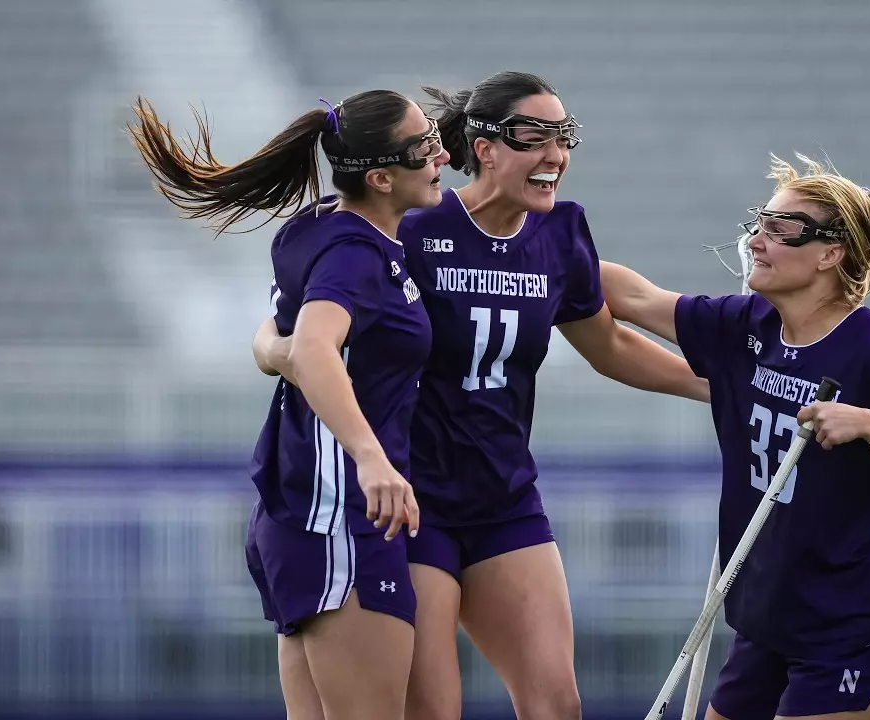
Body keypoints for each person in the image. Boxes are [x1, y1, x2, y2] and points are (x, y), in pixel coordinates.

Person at [253, 70, 709, 720]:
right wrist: (274, 349)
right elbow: (310, 314)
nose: (556, 155)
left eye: (565, 137)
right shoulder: (410, 221)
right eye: (536, 137)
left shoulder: (560, 233)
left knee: (557, 705)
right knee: (432, 710)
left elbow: (609, 344)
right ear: (485, 147)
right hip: (412, 502)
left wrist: (716, 390)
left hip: (504, 495)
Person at [599, 154, 870, 720]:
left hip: (849, 632)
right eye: (759, 224)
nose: (757, 241)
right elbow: (635, 299)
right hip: (766, 624)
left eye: (781, 230)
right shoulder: (746, 325)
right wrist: (541, 250)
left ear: (831, 254)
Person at [128, 89, 451, 720]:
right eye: (423, 146)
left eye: (435, 135)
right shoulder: (355, 255)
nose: (440, 155)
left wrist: (279, 351)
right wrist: (371, 458)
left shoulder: (320, 225)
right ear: (381, 178)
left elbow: (278, 339)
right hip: (342, 519)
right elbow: (312, 346)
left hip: (304, 515)